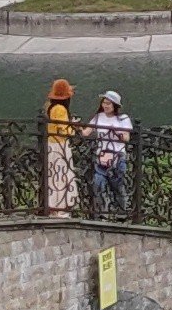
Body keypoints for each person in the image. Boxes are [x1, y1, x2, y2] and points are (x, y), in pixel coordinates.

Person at [87, 90, 135, 217]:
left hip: (118, 156)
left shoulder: (123, 119)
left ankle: (121, 213)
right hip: (101, 156)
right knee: (98, 183)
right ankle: (102, 212)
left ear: (115, 105)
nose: (105, 105)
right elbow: (86, 132)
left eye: (109, 103)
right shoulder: (98, 117)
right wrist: (75, 126)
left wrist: (116, 132)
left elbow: (126, 138)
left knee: (118, 185)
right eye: (104, 102)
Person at [39, 78, 79, 216]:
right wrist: (73, 129)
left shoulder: (50, 107)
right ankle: (60, 208)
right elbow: (63, 130)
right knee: (61, 176)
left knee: (54, 175)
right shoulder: (60, 109)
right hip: (59, 145)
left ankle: (53, 206)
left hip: (51, 143)